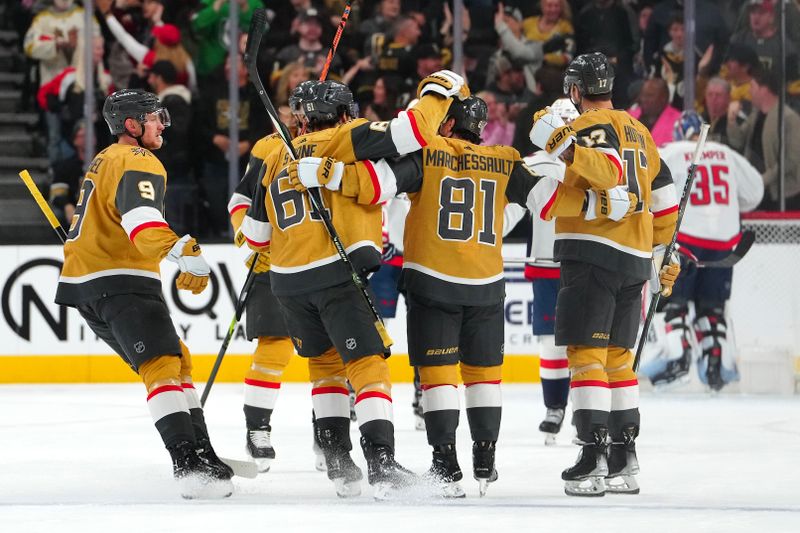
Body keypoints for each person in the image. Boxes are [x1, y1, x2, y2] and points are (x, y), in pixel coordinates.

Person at [288, 95, 637, 497]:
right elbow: (548, 201)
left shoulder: (428, 153)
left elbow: (376, 187)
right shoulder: (505, 159)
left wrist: (331, 174)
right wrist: (601, 202)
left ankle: (446, 468)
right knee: (483, 375)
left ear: (449, 125)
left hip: (432, 283)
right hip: (486, 285)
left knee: (438, 378)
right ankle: (485, 463)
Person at [240, 72, 469, 500]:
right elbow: (413, 129)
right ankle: (381, 462)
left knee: (325, 367)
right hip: (335, 273)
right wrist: (441, 90)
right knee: (368, 365)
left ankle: (340, 462)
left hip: (287, 283)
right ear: (344, 114)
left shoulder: (274, 157)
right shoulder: (345, 137)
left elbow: (254, 236)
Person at [53, 89, 233, 499]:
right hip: (121, 281)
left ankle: (202, 452)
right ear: (132, 126)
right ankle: (187, 463)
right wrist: (181, 252)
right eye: (154, 118)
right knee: (162, 364)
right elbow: (141, 219)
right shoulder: (138, 158)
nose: (162, 124)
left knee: (175, 360)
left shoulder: (103, 159)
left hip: (90, 287)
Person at [529, 52, 680, 496]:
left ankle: (592, 456)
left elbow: (598, 171)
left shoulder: (584, 127)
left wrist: (561, 140)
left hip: (593, 252)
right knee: (618, 360)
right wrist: (664, 255)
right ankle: (624, 458)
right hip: (634, 257)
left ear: (575, 91)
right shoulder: (641, 132)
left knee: (586, 359)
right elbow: (665, 198)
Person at [642, 111, 763, 391]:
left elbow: (647, 188)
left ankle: (674, 356)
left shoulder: (670, 151)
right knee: (713, 308)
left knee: (671, 301)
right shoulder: (725, 152)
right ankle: (717, 366)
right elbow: (755, 192)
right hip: (725, 243)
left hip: (684, 240)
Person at [522, 98, 580, 445]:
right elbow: (510, 206)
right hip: (546, 264)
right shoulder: (533, 166)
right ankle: (554, 407)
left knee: (583, 341)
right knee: (551, 343)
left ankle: (583, 413)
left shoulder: (591, 164)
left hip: (581, 260)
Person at [727, 68, 800, 210]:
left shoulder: (790, 119)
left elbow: (790, 160)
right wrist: (731, 120)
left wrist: (763, 179)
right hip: (758, 191)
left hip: (784, 195)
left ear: (764, 89)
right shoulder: (755, 116)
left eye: (752, 87)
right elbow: (737, 141)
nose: (749, 92)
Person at [628, 78, 682, 147]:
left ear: (663, 98)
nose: (643, 99)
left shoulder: (678, 121)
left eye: (649, 96)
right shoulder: (630, 115)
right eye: (643, 95)